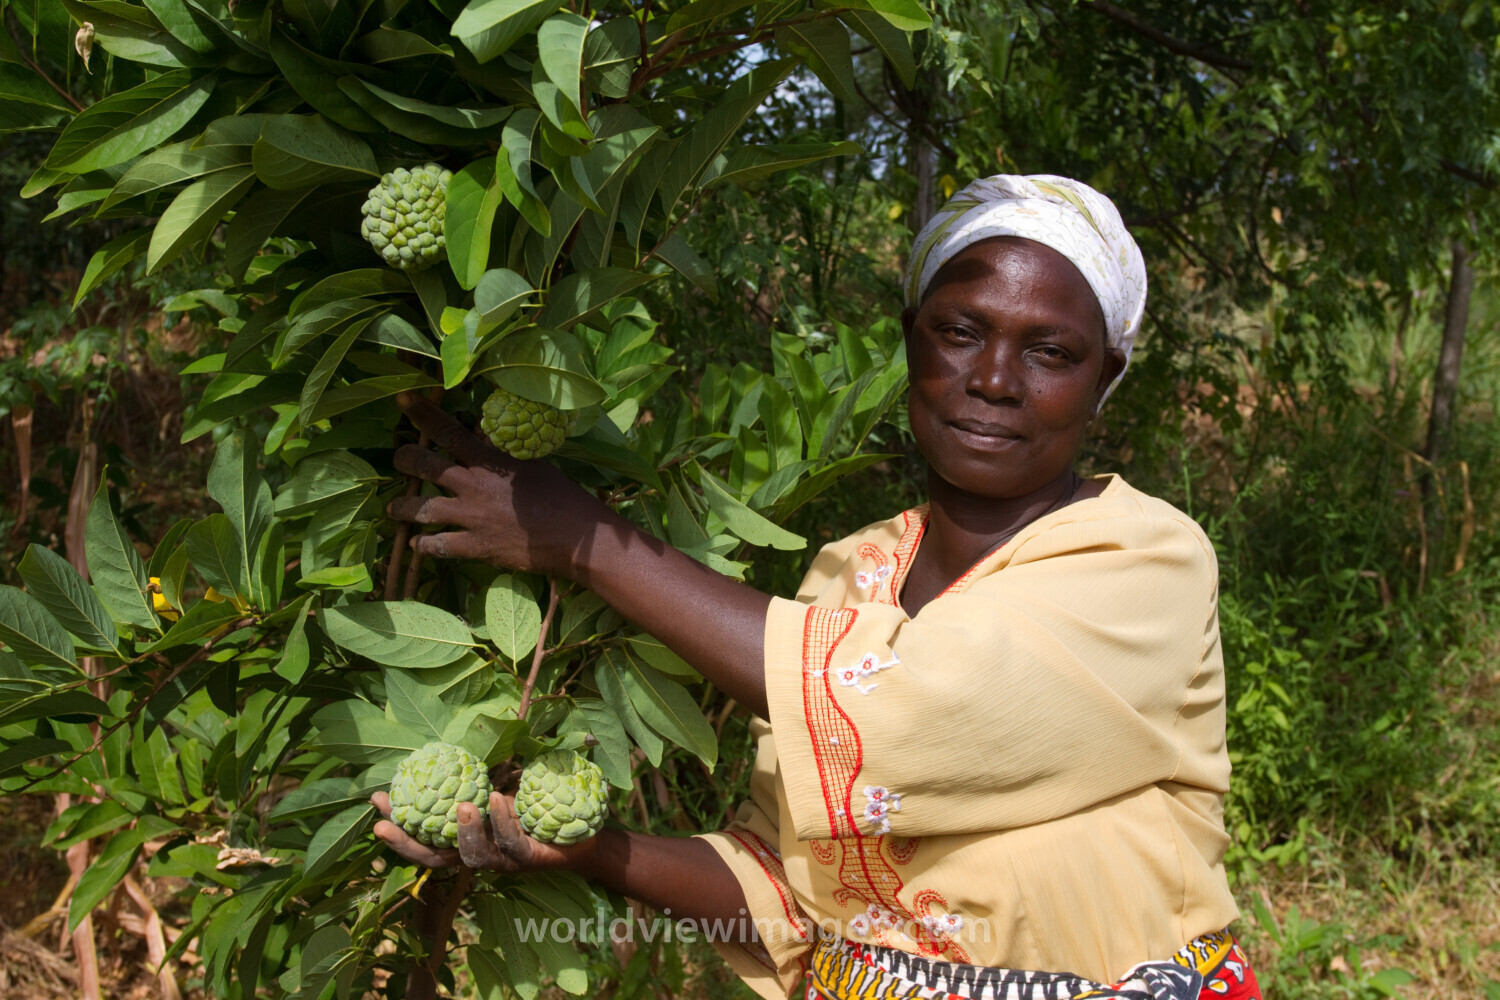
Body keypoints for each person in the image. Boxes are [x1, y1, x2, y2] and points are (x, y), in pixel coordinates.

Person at [372, 174, 1262, 1000]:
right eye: (959, 332)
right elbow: (788, 881)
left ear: (1104, 379)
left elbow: (913, 701)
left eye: (1051, 352)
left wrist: (588, 542)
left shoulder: (1144, 558)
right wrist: (581, 845)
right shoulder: (850, 569)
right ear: (911, 334)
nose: (993, 380)